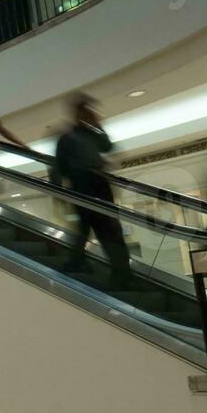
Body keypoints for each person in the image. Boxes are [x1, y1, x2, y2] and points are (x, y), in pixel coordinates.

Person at [51, 94, 131, 286]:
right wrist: (59, 191)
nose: (88, 114)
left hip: (98, 183)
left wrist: (98, 125)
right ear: (77, 112)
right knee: (95, 227)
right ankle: (84, 264)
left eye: (90, 111)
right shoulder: (67, 137)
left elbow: (107, 146)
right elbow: (59, 165)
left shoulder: (91, 133)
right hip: (82, 185)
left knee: (102, 227)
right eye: (85, 111)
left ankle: (114, 270)